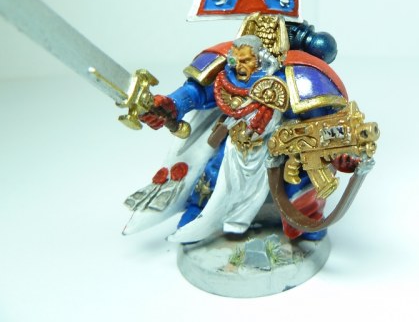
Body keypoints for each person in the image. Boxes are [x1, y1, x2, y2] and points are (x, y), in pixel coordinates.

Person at [125, 13, 364, 243]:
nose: (239, 66)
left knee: (299, 180)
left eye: (246, 60)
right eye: (235, 59)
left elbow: (322, 119)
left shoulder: (289, 77)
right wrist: (172, 105)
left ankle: (305, 222)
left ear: (262, 58)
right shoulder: (227, 77)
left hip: (280, 146)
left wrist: (338, 154)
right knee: (212, 175)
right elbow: (197, 92)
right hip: (236, 143)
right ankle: (198, 214)